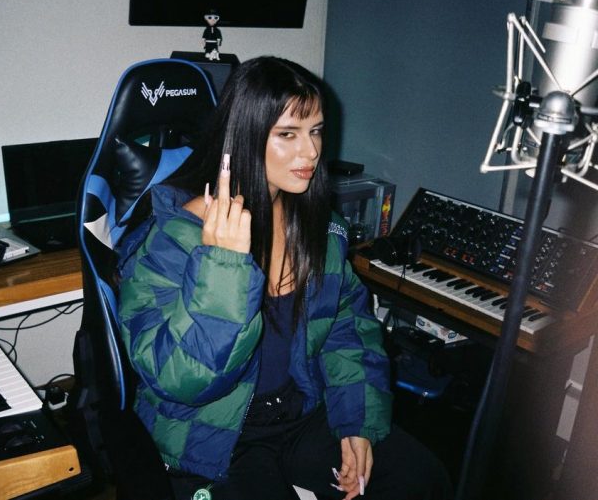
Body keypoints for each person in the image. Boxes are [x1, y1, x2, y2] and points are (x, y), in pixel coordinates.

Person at [117, 56, 452, 500]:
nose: (311, 151)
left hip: (299, 413)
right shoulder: (170, 239)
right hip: (213, 432)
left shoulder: (319, 229)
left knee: (421, 479)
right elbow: (180, 380)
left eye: (316, 131)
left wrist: (357, 420)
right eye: (288, 134)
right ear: (245, 136)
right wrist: (223, 265)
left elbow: (347, 328)